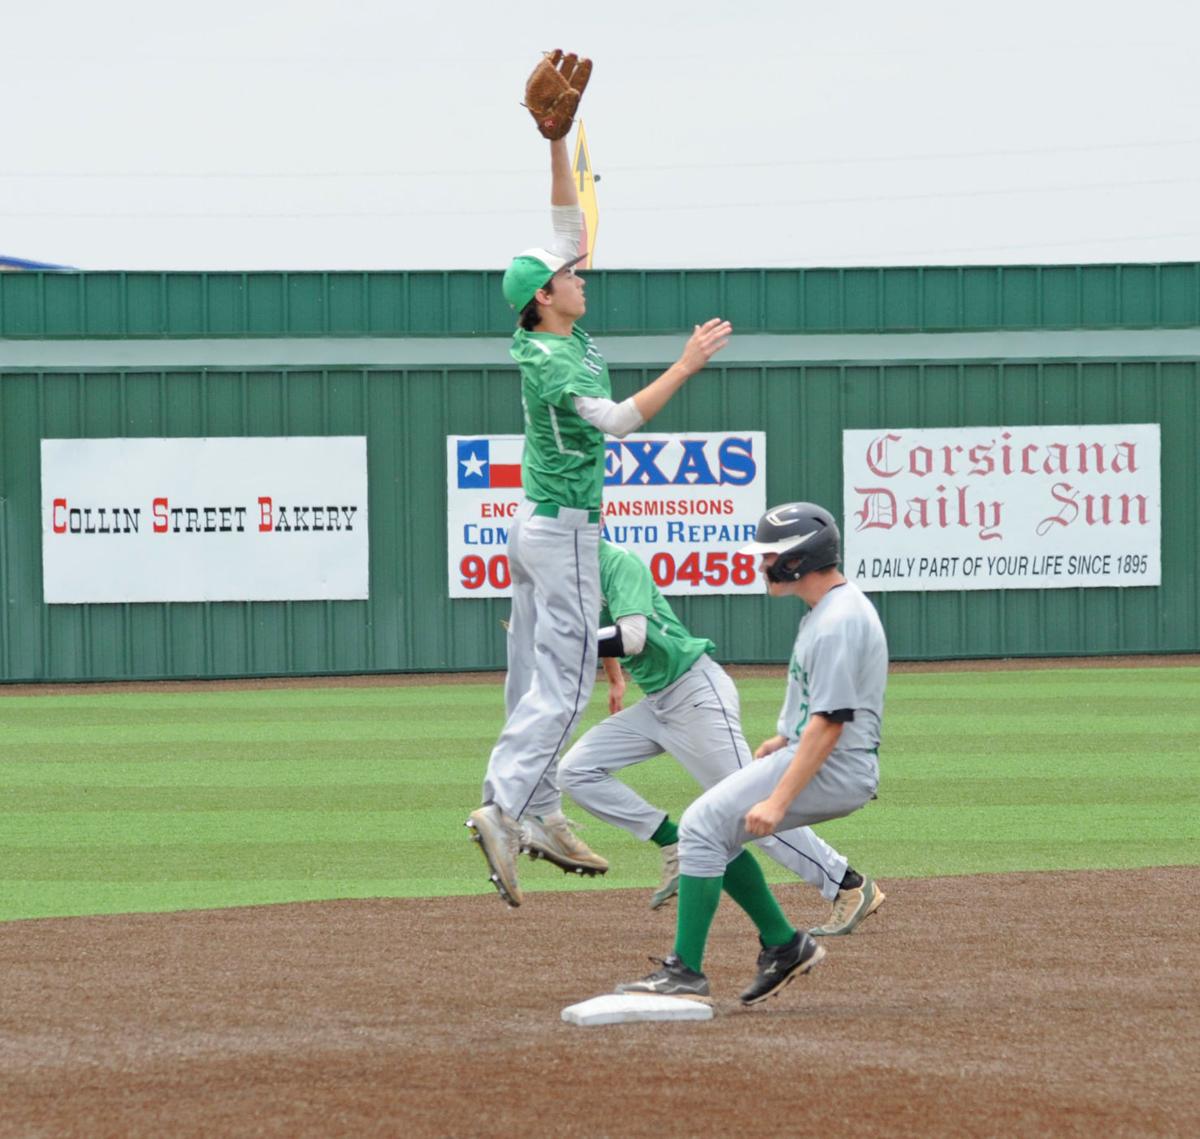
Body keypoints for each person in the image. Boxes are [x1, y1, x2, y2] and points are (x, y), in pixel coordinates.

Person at [465, 129, 732, 908]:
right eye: (566, 276)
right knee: (568, 678)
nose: (580, 275)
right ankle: (507, 807)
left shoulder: (551, 324)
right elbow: (616, 421)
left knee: (531, 677)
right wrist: (684, 365)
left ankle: (540, 809)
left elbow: (566, 227)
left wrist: (553, 141)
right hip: (566, 532)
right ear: (542, 297)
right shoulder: (549, 359)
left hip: (534, 524)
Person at [616, 502, 888, 1005]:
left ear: (797, 558)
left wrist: (779, 800)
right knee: (711, 832)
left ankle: (689, 972)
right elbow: (818, 709)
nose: (762, 564)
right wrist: (783, 739)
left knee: (700, 826)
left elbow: (830, 724)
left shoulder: (838, 622)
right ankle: (783, 946)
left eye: (769, 554)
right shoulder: (828, 610)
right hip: (826, 758)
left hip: (835, 767)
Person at [560, 539, 882, 935]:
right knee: (576, 770)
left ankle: (846, 884)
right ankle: (671, 840)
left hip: (695, 695)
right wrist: (614, 680)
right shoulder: (578, 572)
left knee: (748, 808)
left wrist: (566, 644)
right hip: (658, 703)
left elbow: (631, 637)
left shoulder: (618, 563)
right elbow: (603, 625)